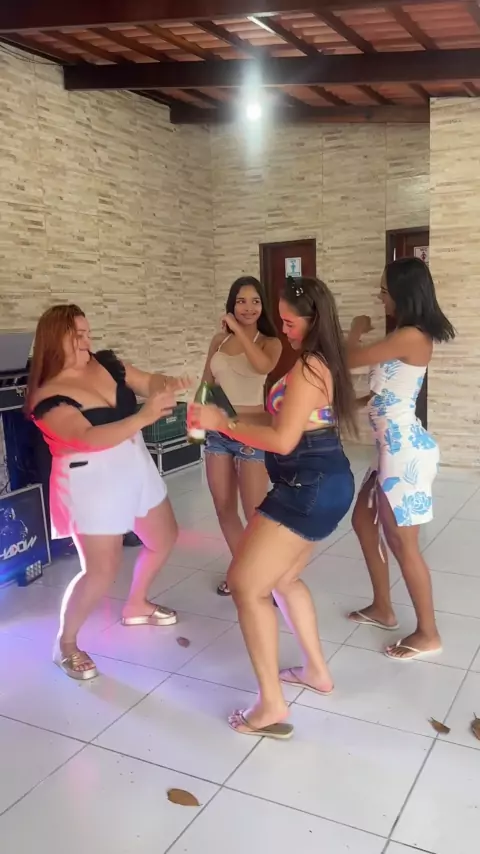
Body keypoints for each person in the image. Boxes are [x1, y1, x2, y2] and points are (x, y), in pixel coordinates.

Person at [189, 276, 356, 739]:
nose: (283, 329)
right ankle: (316, 672)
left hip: (307, 486)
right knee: (283, 579)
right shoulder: (317, 362)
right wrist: (226, 418)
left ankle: (270, 704)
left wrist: (226, 424)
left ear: (312, 319)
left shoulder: (309, 367)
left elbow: (282, 439)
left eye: (288, 321)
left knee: (246, 586)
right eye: (279, 320)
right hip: (325, 483)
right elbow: (283, 419)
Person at [26, 304, 190, 681]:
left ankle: (136, 604)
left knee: (164, 537)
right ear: (54, 340)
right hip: (89, 479)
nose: (87, 341)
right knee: (101, 571)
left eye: (88, 333)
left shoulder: (107, 363)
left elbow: (148, 380)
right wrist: (144, 416)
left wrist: (165, 386)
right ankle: (66, 643)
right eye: (77, 336)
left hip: (134, 461)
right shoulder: (45, 397)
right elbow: (86, 437)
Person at [346, 257, 455, 660]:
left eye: (384, 290)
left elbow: (348, 360)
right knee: (363, 521)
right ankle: (383, 608)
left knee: (402, 543)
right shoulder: (401, 335)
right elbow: (388, 391)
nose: (380, 297)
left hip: (403, 451)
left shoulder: (411, 335)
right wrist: (357, 403)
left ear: (403, 293)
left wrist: (355, 330)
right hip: (388, 449)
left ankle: (428, 633)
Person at [201, 276, 281, 596]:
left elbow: (262, 366)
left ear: (263, 307)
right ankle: (242, 572)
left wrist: (239, 330)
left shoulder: (269, 343)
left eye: (255, 301)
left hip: (251, 433)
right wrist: (196, 418)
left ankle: (265, 577)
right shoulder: (218, 342)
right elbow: (207, 384)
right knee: (224, 508)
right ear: (231, 304)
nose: (248, 307)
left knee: (255, 514)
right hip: (218, 433)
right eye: (241, 301)